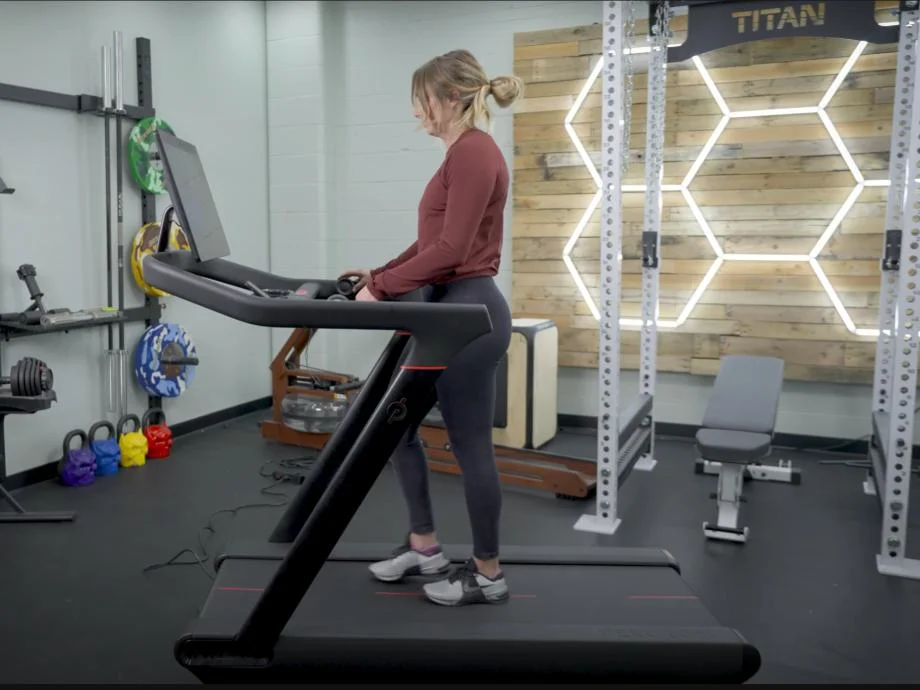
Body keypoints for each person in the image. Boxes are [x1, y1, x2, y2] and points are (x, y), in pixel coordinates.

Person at [340, 49, 522, 607]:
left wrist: (383, 291)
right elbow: (430, 244)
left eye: (422, 101)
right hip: (443, 312)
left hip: (467, 318)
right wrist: (380, 275)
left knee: (470, 448)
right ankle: (425, 547)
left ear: (450, 98)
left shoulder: (474, 152)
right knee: (394, 427)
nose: (417, 112)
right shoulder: (460, 155)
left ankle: (487, 573)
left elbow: (452, 251)